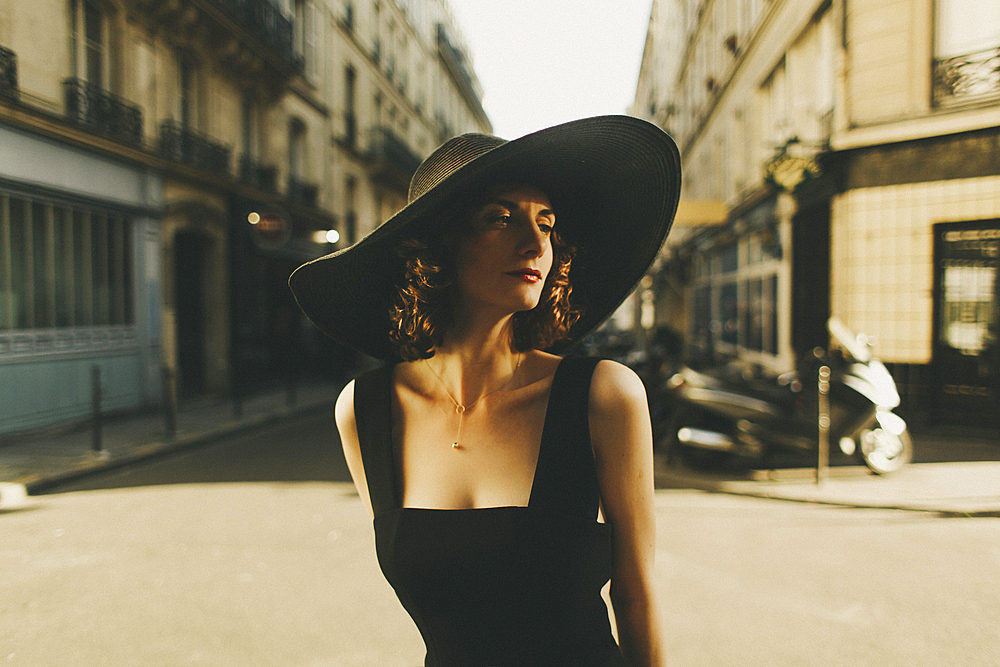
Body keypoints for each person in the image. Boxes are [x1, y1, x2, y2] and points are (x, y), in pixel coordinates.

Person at [289, 116, 680, 666]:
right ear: (437, 247)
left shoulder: (603, 396)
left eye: (546, 222)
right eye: (500, 217)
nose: (536, 241)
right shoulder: (364, 409)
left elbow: (635, 595)